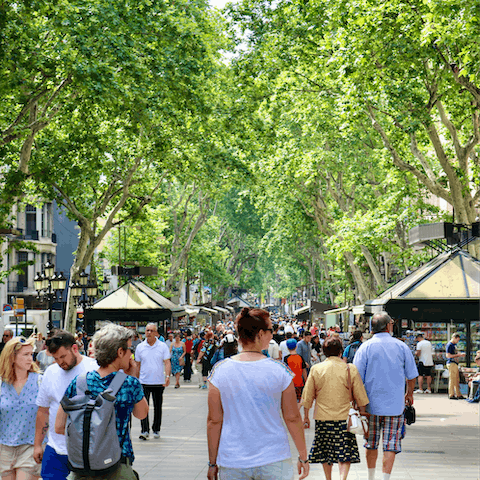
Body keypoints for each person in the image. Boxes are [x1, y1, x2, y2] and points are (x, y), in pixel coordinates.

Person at [206, 307, 309, 480]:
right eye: (270, 330)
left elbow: (214, 421)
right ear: (260, 334)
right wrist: (303, 456)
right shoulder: (280, 371)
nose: (272, 335)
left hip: (233, 461)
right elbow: (292, 417)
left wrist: (212, 462)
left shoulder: (219, 371)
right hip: (274, 459)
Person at [55, 324, 148, 480]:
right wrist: (131, 376)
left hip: (82, 468)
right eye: (129, 350)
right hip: (117, 467)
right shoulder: (129, 384)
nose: (131, 355)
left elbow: (59, 426)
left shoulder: (79, 382)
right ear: (120, 352)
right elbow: (142, 414)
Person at [353, 313, 418, 480]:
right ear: (389, 326)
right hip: (395, 407)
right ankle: (385, 479)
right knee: (390, 446)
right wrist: (409, 394)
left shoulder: (365, 347)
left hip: (370, 407)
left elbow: (356, 377)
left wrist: (357, 403)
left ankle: (371, 477)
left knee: (371, 443)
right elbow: (411, 376)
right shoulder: (401, 347)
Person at [33, 330, 98, 480]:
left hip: (86, 451)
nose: (60, 362)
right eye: (56, 358)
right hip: (55, 449)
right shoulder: (51, 372)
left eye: (63, 356)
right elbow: (43, 410)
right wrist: (37, 444)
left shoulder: (93, 369)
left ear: (75, 349)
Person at [302, 336, 369, 480]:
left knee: (326, 451)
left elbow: (307, 396)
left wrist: (306, 416)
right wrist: (363, 413)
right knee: (344, 452)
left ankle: (328, 478)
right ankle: (342, 478)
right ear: (341, 351)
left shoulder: (316, 369)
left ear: (324, 352)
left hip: (322, 418)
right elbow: (360, 395)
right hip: (345, 419)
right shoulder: (349, 369)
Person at [0, 336, 44, 480]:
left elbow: (46, 414)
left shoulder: (39, 381)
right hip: (4, 448)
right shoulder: (1, 384)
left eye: (31, 354)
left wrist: (40, 445)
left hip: (30, 446)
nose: (30, 359)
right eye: (25, 355)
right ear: (12, 358)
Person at [134, 323, 171, 440]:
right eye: (147, 330)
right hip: (144, 381)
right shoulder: (140, 347)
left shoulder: (162, 346)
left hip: (158, 381)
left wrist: (168, 376)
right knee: (143, 407)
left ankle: (156, 429)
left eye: (151, 331)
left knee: (157, 406)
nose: (149, 333)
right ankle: (144, 430)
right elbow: (137, 365)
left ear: (156, 333)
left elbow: (167, 362)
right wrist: (135, 380)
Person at [283, 339, 307, 406]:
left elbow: (285, 372)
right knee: (299, 403)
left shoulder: (286, 358)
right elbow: (304, 371)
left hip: (290, 384)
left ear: (287, 348)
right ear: (296, 347)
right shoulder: (300, 357)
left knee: (291, 403)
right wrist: (306, 381)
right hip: (299, 383)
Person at [445, 333, 466, 400]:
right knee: (452, 379)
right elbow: (448, 355)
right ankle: (451, 394)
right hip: (451, 363)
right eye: (457, 340)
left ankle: (458, 394)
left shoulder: (453, 345)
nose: (458, 341)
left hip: (455, 363)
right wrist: (458, 355)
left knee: (456, 379)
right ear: (454, 338)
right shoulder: (450, 345)